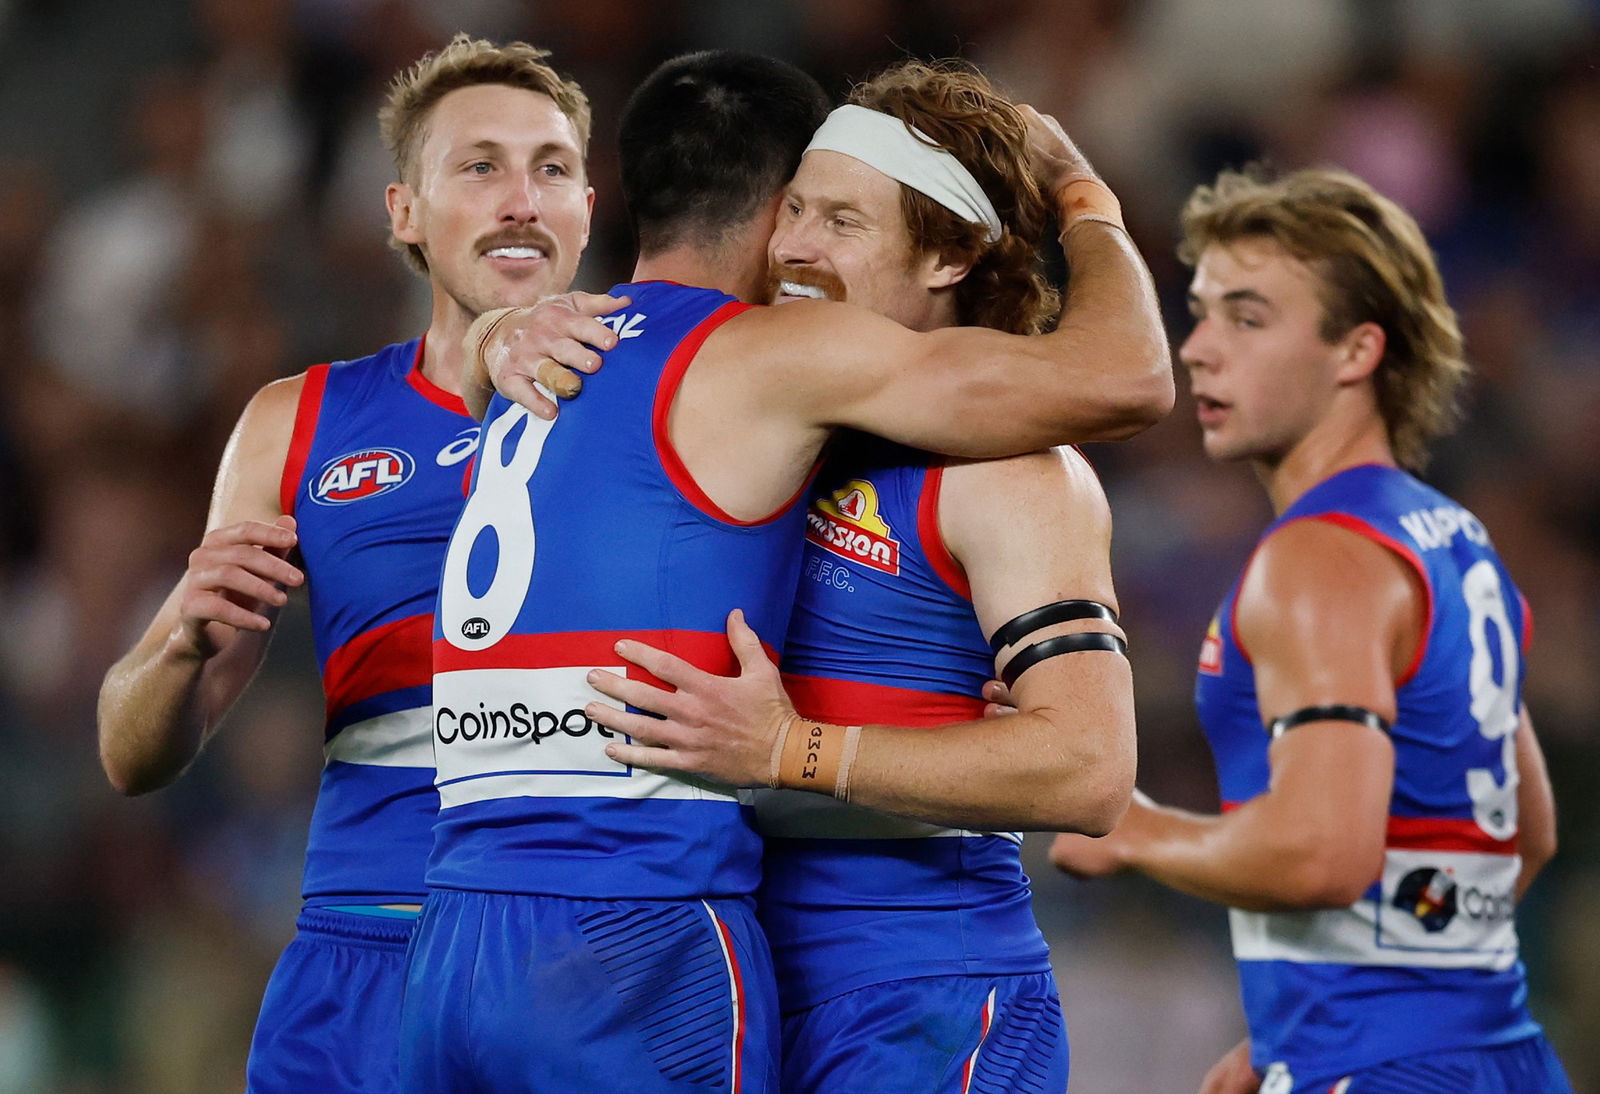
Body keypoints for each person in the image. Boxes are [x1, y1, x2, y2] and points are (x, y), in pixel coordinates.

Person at [408, 49, 1171, 1093]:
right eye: (794, 209)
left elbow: (1088, 771)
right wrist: (497, 327)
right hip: (742, 973)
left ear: (947, 254)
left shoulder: (1009, 471)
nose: (795, 246)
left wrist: (794, 749)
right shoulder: (760, 426)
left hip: (922, 998)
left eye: (841, 222)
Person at [95, 35, 608, 1093]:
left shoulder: (681, 401)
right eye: (480, 165)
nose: (521, 197)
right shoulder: (298, 422)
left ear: (588, 207)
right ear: (403, 213)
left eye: (550, 168)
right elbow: (130, 751)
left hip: (588, 951)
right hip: (364, 951)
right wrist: (184, 640)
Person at [1049, 167, 1571, 1094]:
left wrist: (1141, 832)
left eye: (1248, 318)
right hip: (1501, 1055)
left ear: (1356, 351)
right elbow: (1524, 833)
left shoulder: (1318, 560)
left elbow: (1324, 853)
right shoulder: (1449, 538)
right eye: (1202, 312)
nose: (1200, 348)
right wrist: (1312, 1016)